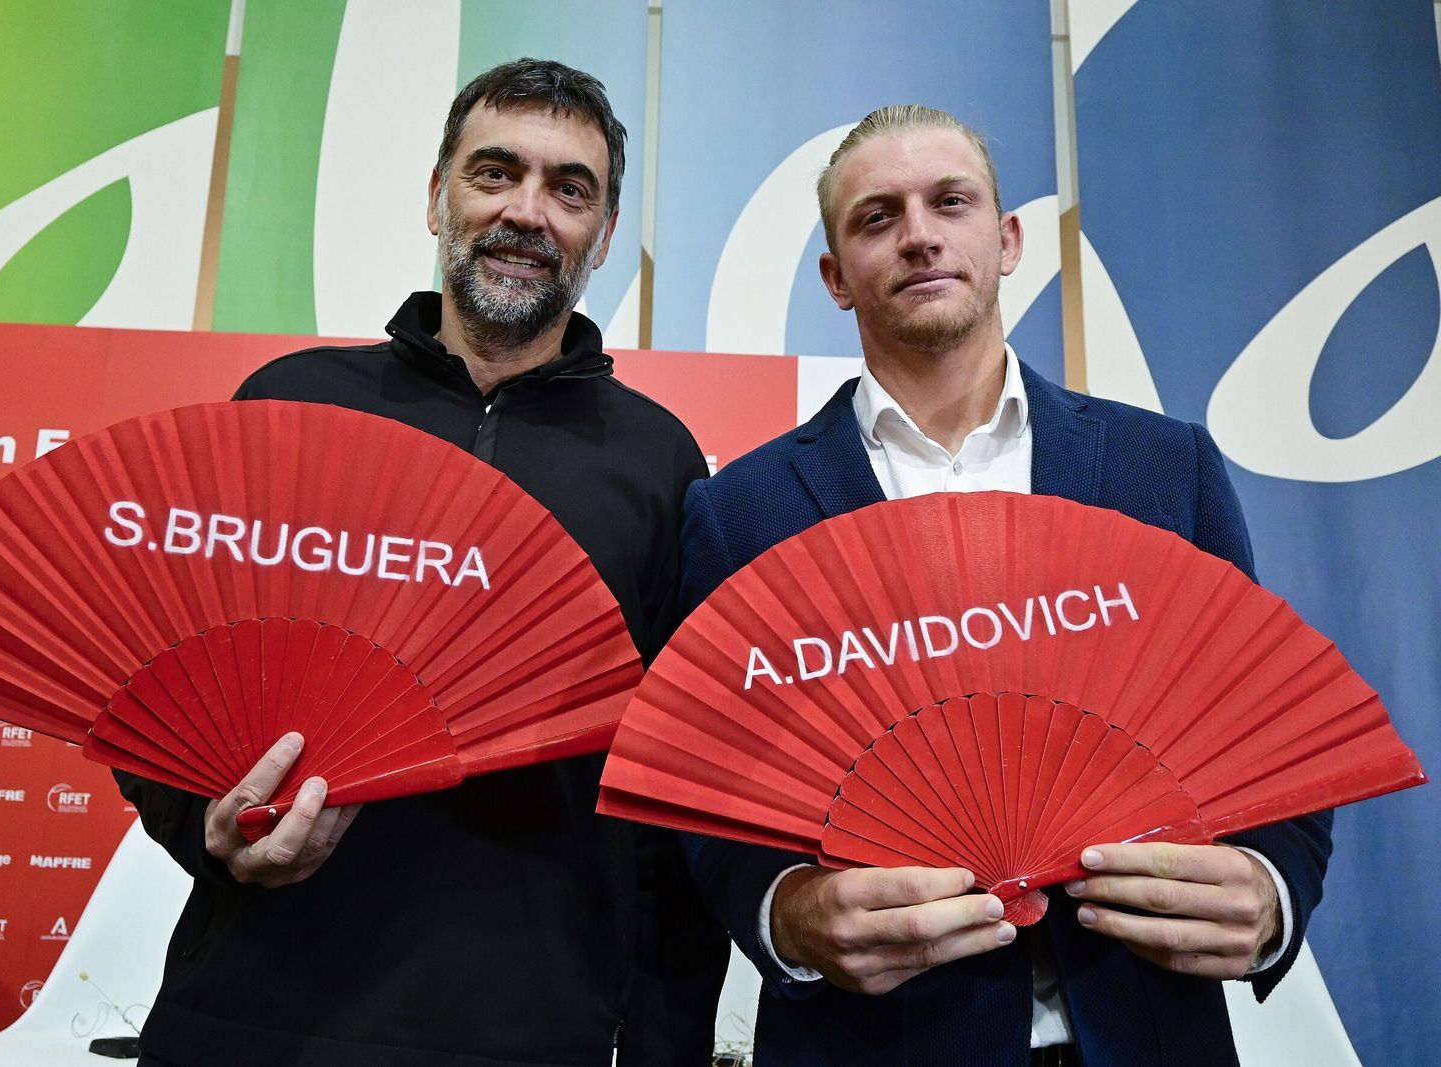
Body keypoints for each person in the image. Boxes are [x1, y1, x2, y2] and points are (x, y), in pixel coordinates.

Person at [676, 105, 1333, 1066]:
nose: (920, 234)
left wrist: (1271, 892)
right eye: (876, 217)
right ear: (834, 277)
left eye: (951, 201)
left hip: (1143, 1031)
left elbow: (1267, 732)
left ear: (1008, 237)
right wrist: (787, 913)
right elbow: (706, 791)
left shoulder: (1164, 467)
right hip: (866, 1044)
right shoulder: (742, 510)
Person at [118, 58, 726, 1067]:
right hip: (249, 1009)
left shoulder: (658, 459)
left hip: (526, 1030)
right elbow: (156, 683)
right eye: (494, 172)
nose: (526, 210)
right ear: (437, 196)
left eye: (568, 188)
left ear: (604, 235)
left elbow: (668, 791)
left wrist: (661, 1045)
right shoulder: (288, 403)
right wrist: (201, 822)